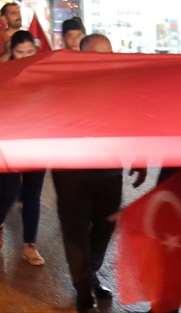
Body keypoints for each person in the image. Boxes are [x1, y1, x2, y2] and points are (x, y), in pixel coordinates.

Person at [53, 32, 121, 312]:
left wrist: (140, 156)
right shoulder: (64, 83)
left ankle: (90, 271)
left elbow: (133, 118)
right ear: (82, 55)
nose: (106, 60)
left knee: (107, 222)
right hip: (71, 170)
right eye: (99, 54)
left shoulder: (119, 84)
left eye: (110, 53)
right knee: (75, 228)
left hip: (108, 167)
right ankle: (83, 287)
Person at [0, 31, 47, 265]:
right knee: (10, 191)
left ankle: (29, 245)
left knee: (33, 194)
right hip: (9, 143)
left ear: (36, 50)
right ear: (12, 51)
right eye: (19, 52)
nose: (25, 56)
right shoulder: (4, 75)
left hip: (37, 142)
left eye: (29, 52)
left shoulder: (45, 73)